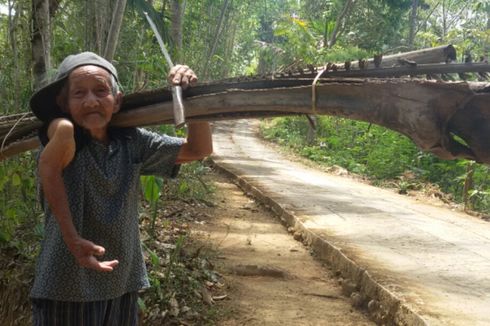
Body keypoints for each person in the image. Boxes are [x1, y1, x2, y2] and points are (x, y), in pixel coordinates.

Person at [28, 52, 212, 325]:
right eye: (79, 94)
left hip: (121, 284)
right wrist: (71, 238)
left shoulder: (132, 142)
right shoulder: (61, 139)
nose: (91, 101)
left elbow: (199, 149)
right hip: (66, 288)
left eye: (101, 91)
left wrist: (192, 96)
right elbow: (49, 168)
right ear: (63, 103)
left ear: (117, 101)